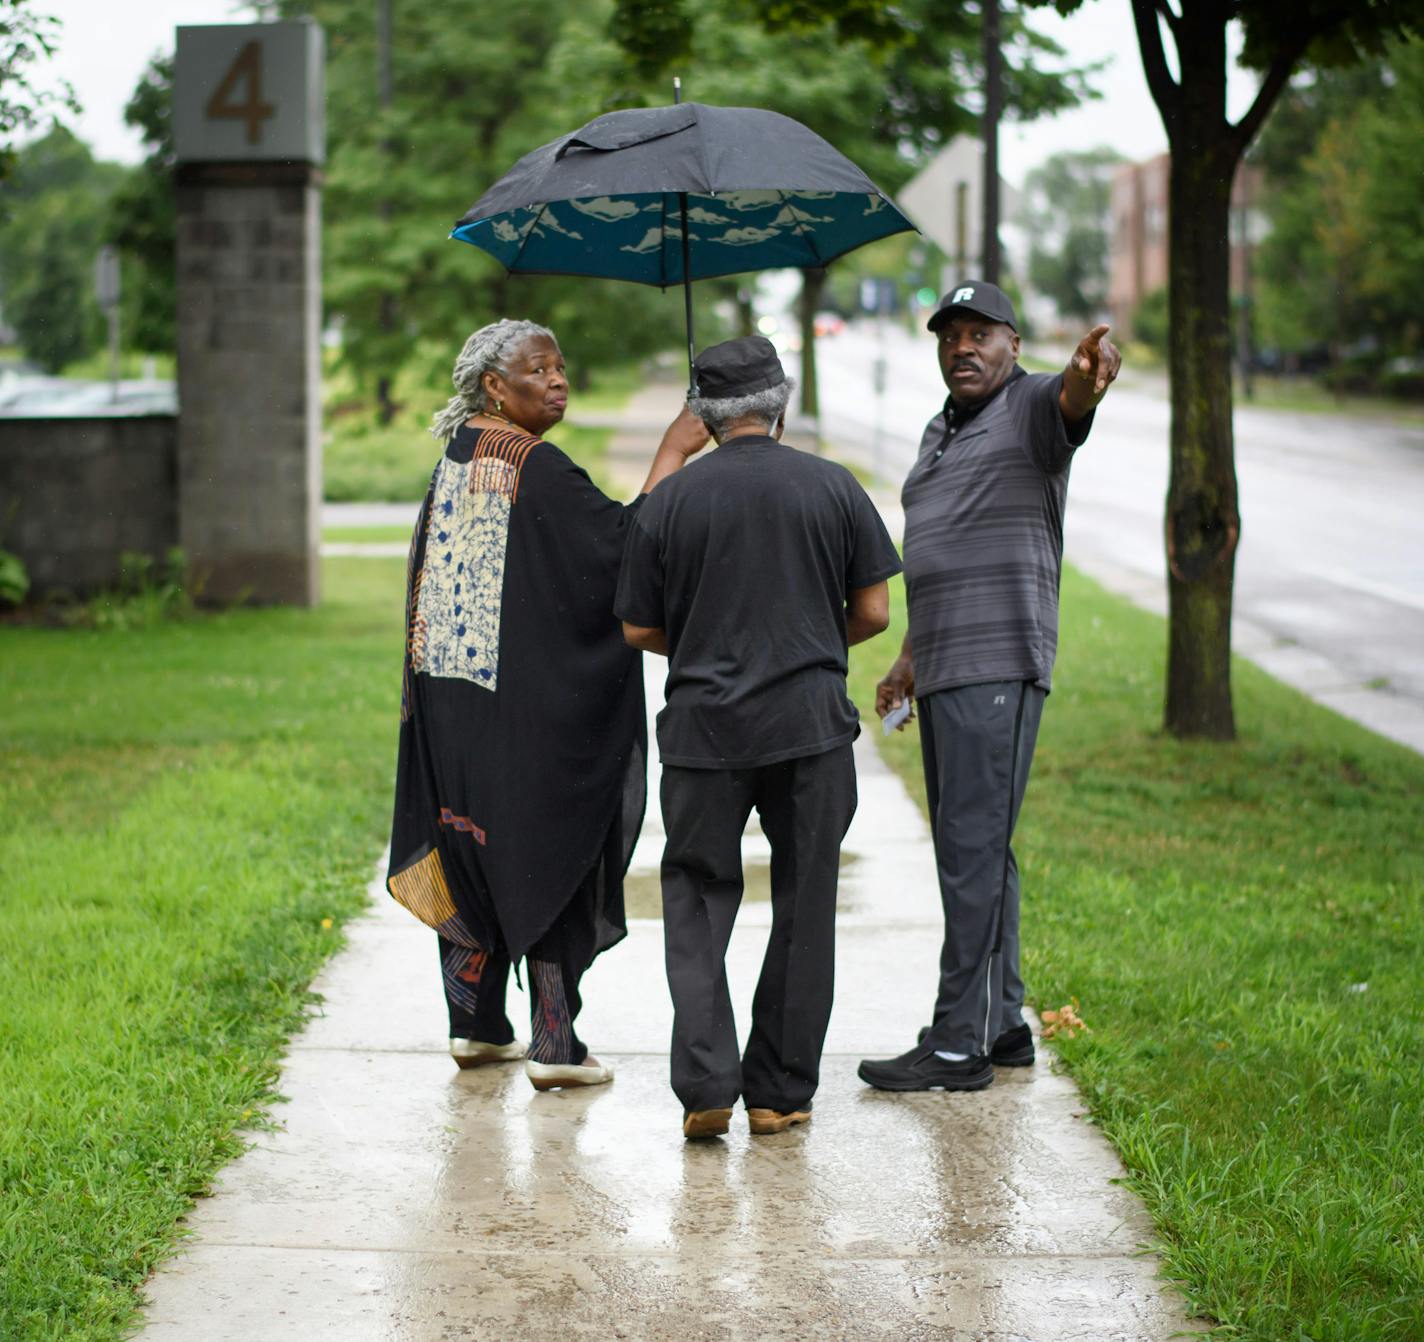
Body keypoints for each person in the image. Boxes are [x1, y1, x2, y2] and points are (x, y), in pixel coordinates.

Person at [386, 318, 708, 1091]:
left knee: (467, 843)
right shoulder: (532, 464)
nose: (557, 379)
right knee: (551, 841)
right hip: (522, 711)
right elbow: (627, 548)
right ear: (495, 386)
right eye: (539, 369)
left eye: (562, 366)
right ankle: (555, 1046)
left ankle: (475, 1025)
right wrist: (674, 452)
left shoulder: (458, 455)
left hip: (451, 703)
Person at [615, 336, 902, 1139]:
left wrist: (709, 642)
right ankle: (778, 1093)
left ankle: (707, 1082)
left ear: (702, 416)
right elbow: (875, 612)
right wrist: (806, 638)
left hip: (705, 732)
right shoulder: (832, 486)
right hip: (809, 727)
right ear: (780, 401)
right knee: (806, 899)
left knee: (699, 899)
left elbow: (638, 625)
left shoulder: (670, 502)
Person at [856, 281, 1121, 1093]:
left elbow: (1073, 401)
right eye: (949, 336)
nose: (962, 348)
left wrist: (1086, 376)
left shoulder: (1035, 406)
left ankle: (954, 1042)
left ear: (1012, 343)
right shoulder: (944, 427)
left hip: (998, 662)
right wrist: (909, 656)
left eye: (979, 334)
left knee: (969, 853)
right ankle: (1003, 1024)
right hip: (947, 662)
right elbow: (950, 548)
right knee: (981, 852)